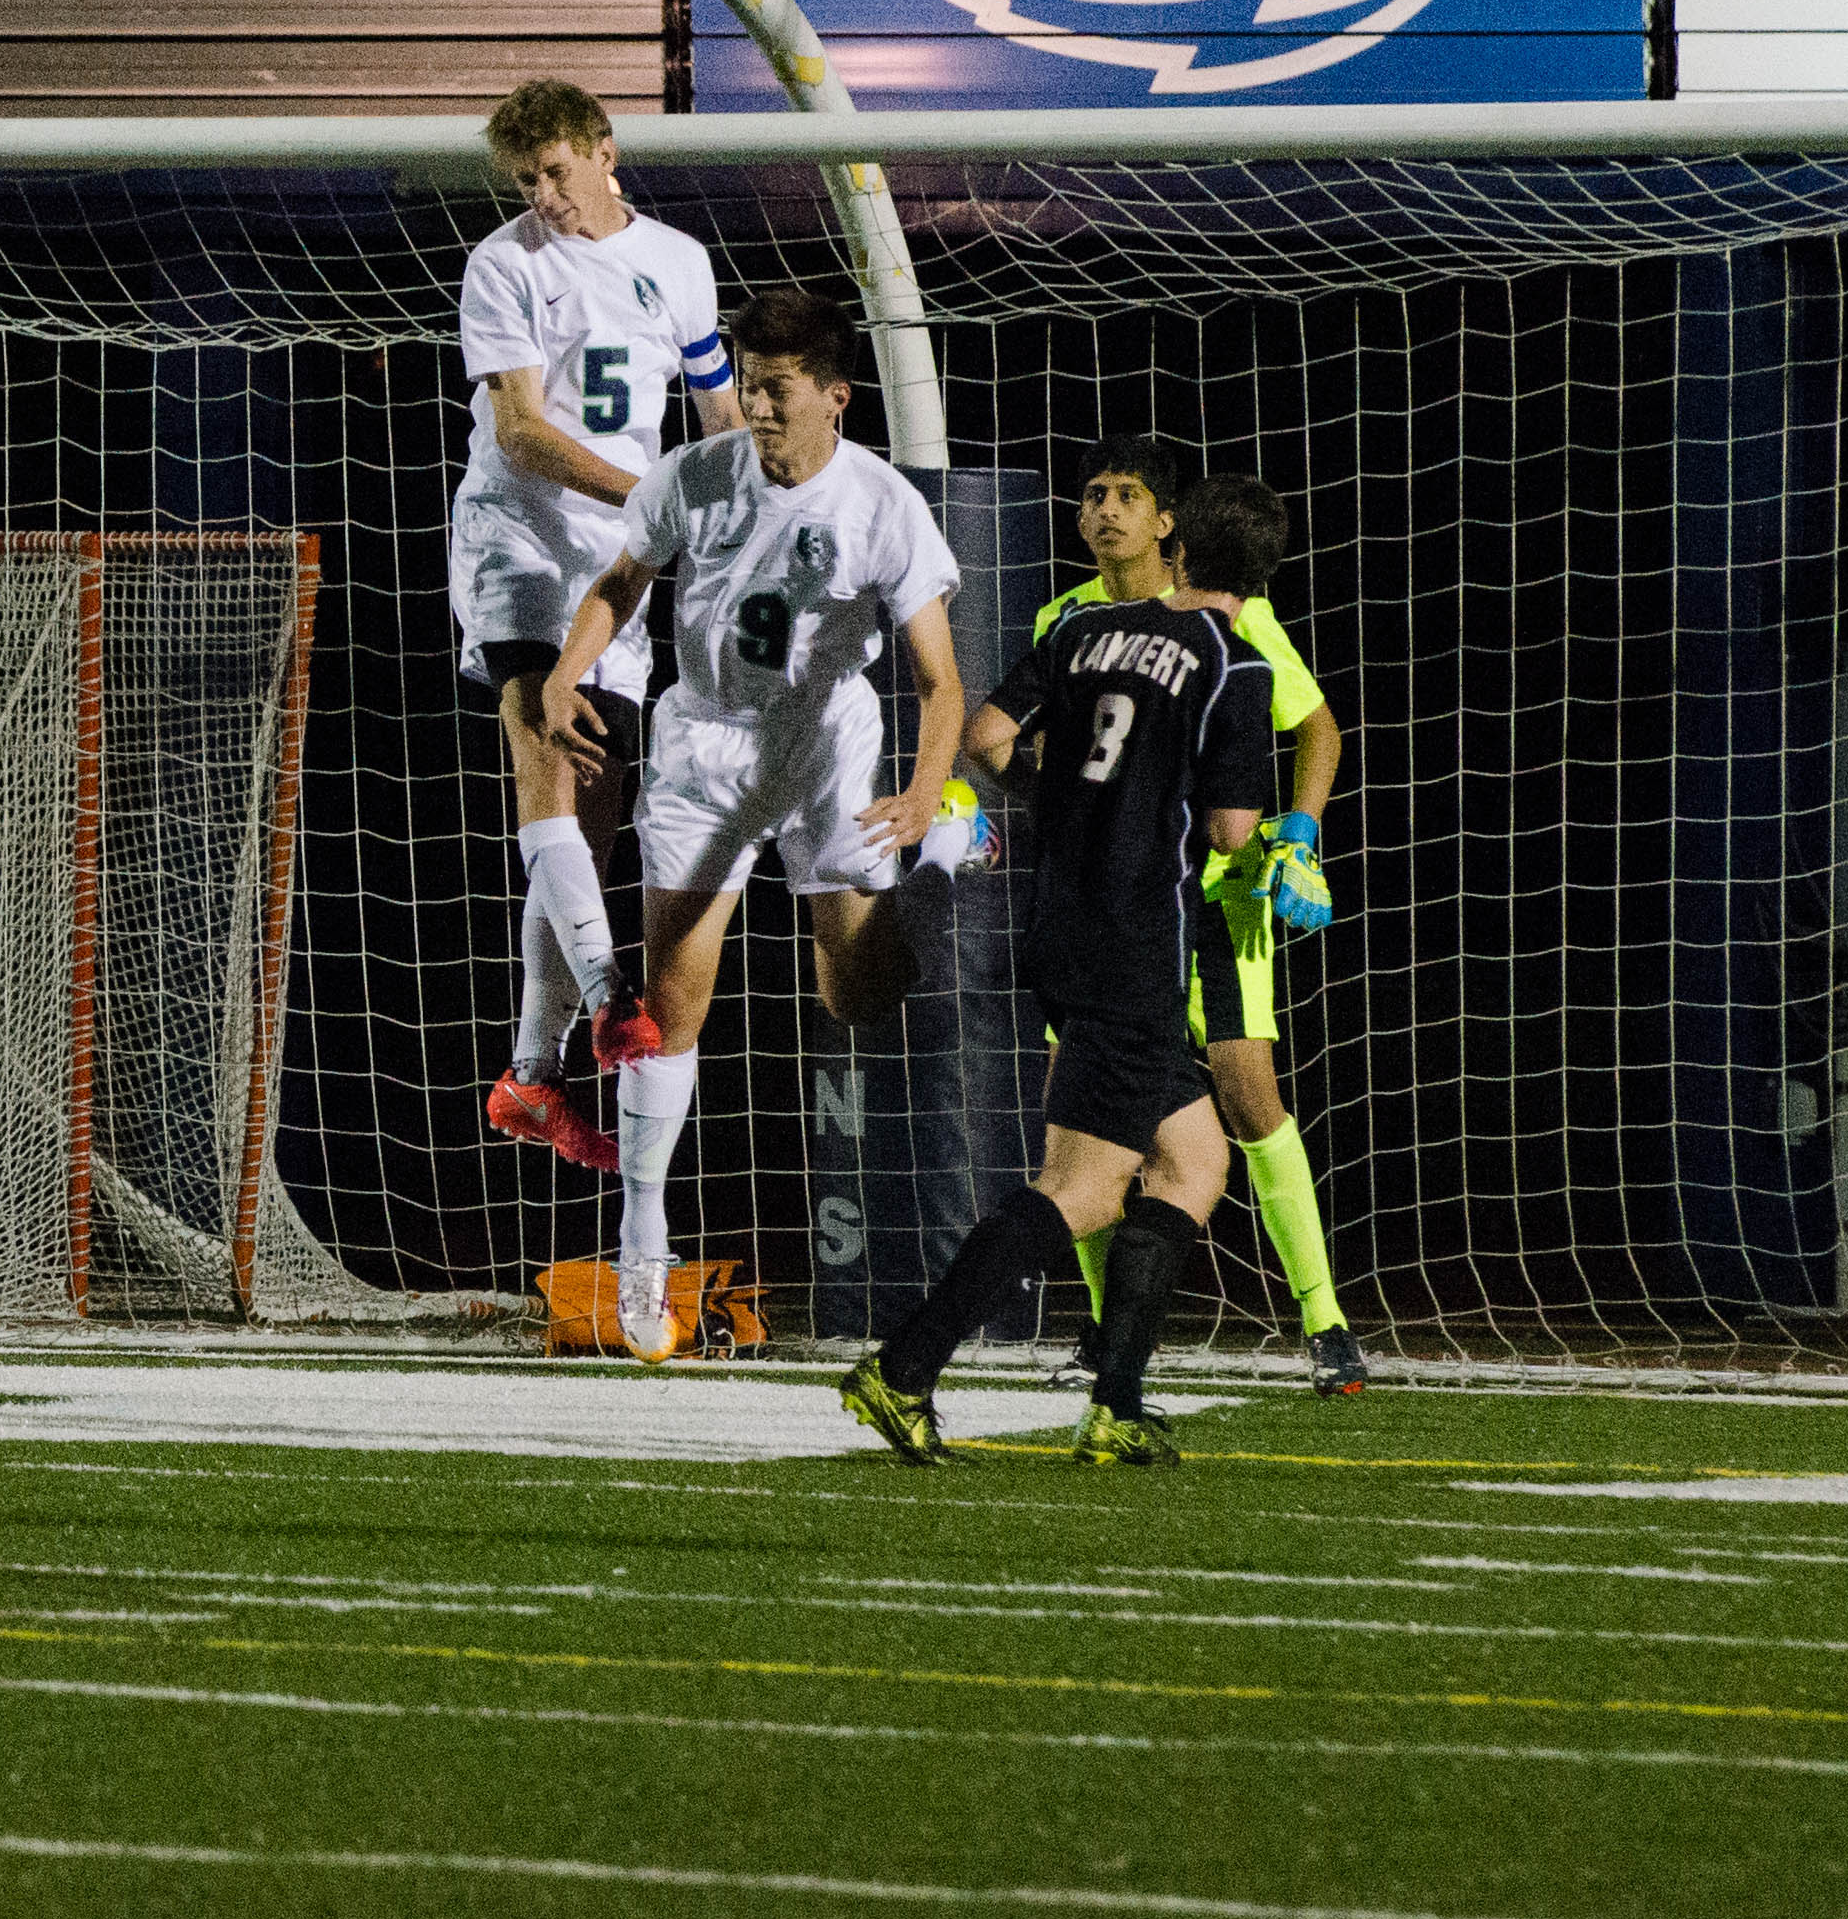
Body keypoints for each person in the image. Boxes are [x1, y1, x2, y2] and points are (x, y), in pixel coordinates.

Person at [543, 290, 963, 1368]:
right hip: (706, 741)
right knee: (668, 1005)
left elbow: (940, 675)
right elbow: (619, 580)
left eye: (775, 387)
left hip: (826, 746)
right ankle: (644, 1248)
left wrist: (923, 792)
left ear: (834, 395)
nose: (755, 404)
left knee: (857, 994)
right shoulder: (693, 477)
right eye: (745, 379)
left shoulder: (881, 502)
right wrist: (563, 670)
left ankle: (948, 856)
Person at [844, 478, 1278, 1468]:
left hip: (1058, 928)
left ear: (1180, 545)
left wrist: (1066, 797)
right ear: (1260, 572)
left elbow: (989, 736)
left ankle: (1114, 1402)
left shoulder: (1086, 628)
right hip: (1134, 943)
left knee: (1193, 1162)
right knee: (1080, 1190)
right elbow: (1228, 828)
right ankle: (904, 1366)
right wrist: (1274, 856)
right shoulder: (1233, 663)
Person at [1008, 446, 1361, 1397]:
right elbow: (1034, 748)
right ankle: (1100, 1335)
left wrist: (1300, 835)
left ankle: (1324, 1321)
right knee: (1081, 1126)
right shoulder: (1066, 618)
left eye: (1129, 495)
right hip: (1113, 910)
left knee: (1250, 1096)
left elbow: (1317, 725)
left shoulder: (1228, 614)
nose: (1108, 511)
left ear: (1171, 525)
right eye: (1093, 495)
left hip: (1213, 898)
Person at [449, 80, 740, 1178]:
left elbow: (713, 413)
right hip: (519, 547)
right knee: (545, 764)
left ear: (605, 151)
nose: (545, 196)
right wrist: (648, 496)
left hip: (619, 566)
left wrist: (746, 503)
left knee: (590, 823)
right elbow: (520, 430)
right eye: (528, 180)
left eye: (558, 172)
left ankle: (530, 1072)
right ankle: (613, 997)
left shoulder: (678, 260)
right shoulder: (504, 263)